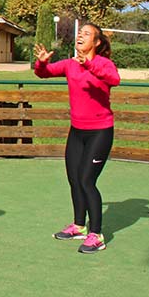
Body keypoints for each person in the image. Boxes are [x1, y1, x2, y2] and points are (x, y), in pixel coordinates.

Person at [34, 23, 120, 254]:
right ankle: (79, 226)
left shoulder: (103, 63)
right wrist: (41, 62)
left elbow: (114, 79)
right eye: (79, 33)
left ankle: (97, 235)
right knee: (74, 179)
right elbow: (43, 73)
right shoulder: (70, 64)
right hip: (77, 131)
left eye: (86, 34)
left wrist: (89, 64)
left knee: (86, 181)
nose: (80, 35)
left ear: (97, 42)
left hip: (100, 132)